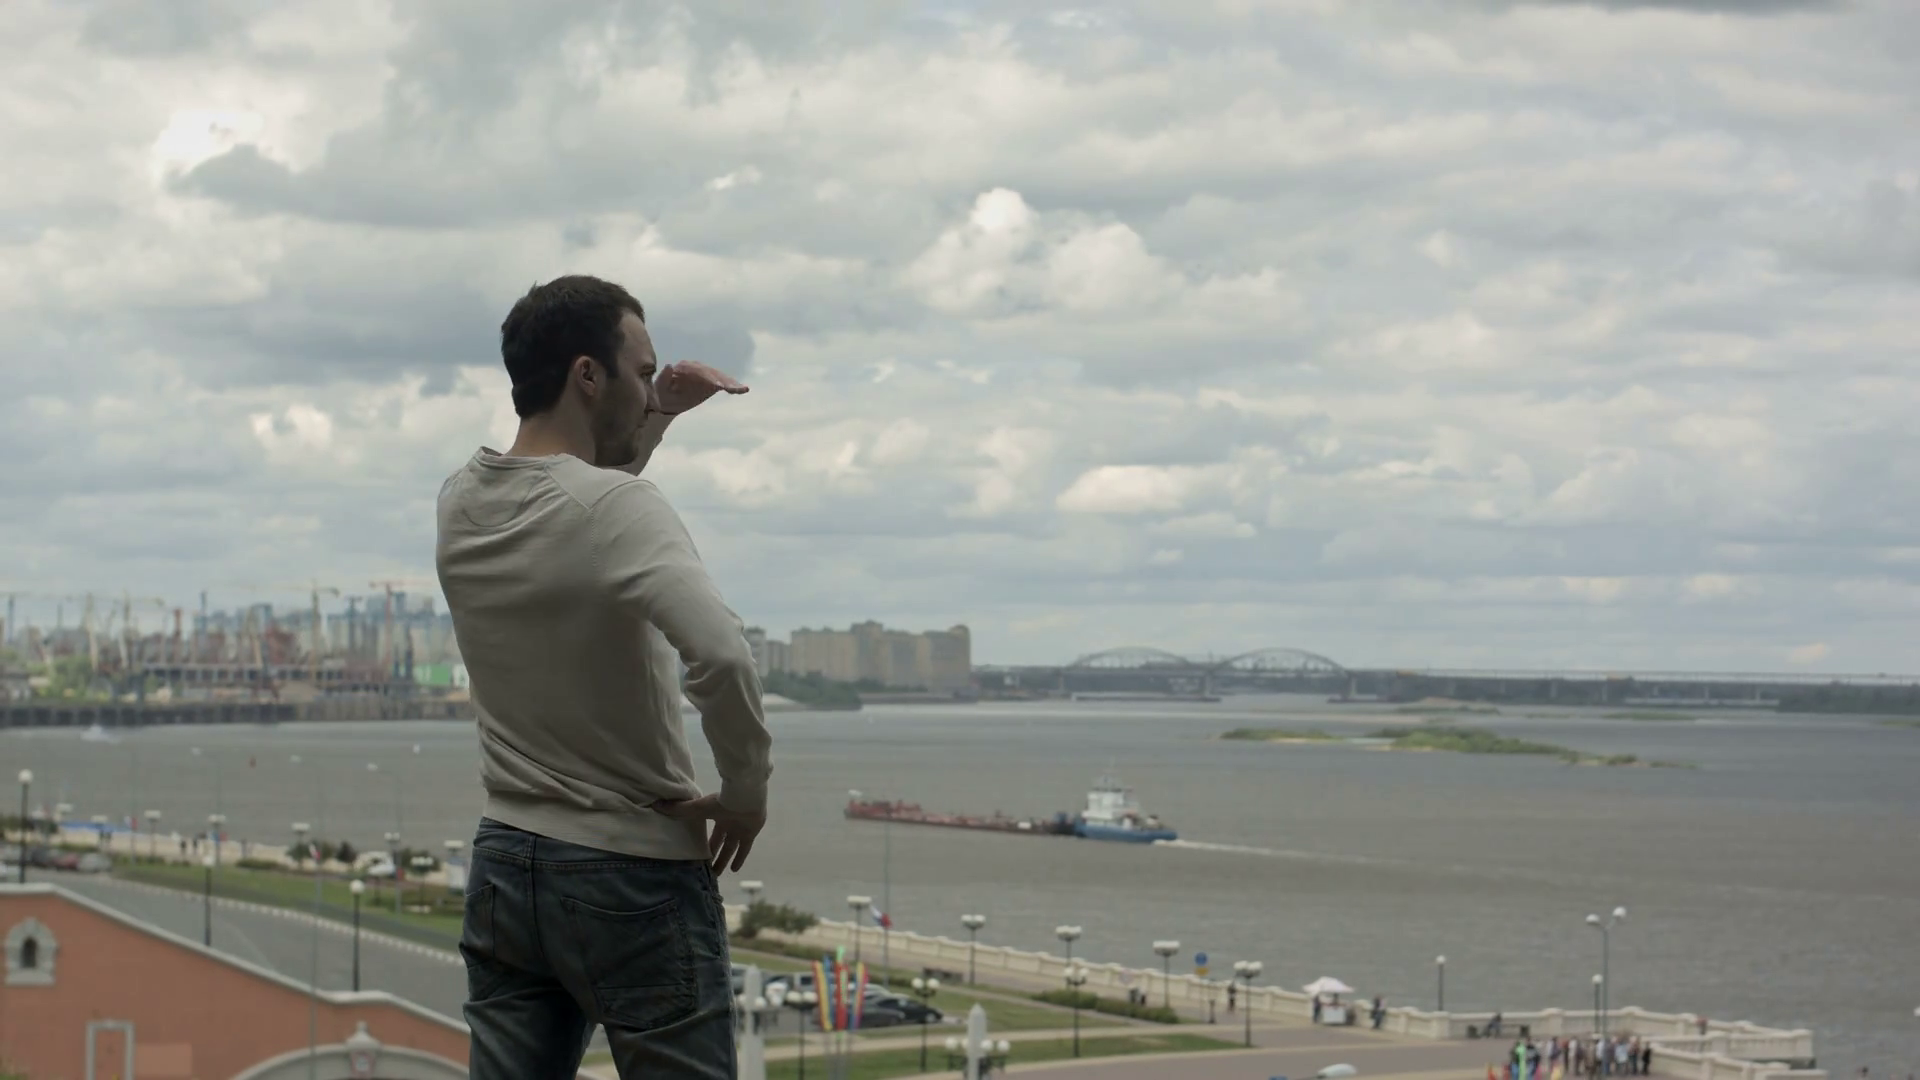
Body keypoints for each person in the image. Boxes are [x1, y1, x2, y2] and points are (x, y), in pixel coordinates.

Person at [438, 275, 770, 1080]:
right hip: (631, 872)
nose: (651, 391)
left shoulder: (462, 500)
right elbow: (722, 655)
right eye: (643, 373)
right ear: (589, 374)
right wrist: (743, 794)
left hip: (506, 865)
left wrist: (657, 416)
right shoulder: (621, 509)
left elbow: (580, 510)